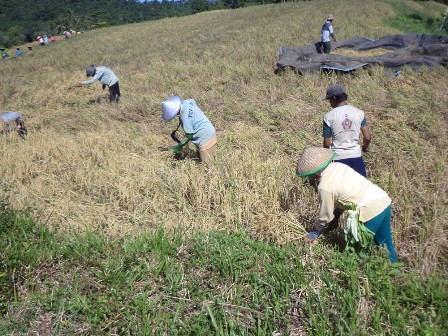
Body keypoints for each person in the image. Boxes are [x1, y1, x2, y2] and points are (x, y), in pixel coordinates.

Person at [296, 147, 397, 263]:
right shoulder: (339, 166)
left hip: (369, 211)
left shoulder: (325, 187)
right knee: (386, 245)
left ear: (313, 173)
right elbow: (348, 193)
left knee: (355, 254)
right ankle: (395, 272)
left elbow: (325, 216)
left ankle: (362, 277)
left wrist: (315, 232)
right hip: (382, 200)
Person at [322, 83, 371, 177]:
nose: (330, 103)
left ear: (334, 98)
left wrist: (327, 158)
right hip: (356, 155)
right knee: (359, 187)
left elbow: (327, 143)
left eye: (330, 100)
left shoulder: (328, 116)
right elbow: (367, 137)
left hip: (338, 158)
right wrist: (364, 148)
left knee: (340, 189)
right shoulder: (359, 113)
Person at [162, 95, 217, 167]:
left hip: (205, 139)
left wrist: (178, 147)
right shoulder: (188, 102)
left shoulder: (185, 118)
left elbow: (189, 135)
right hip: (209, 129)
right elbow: (194, 102)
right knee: (202, 159)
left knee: (208, 166)